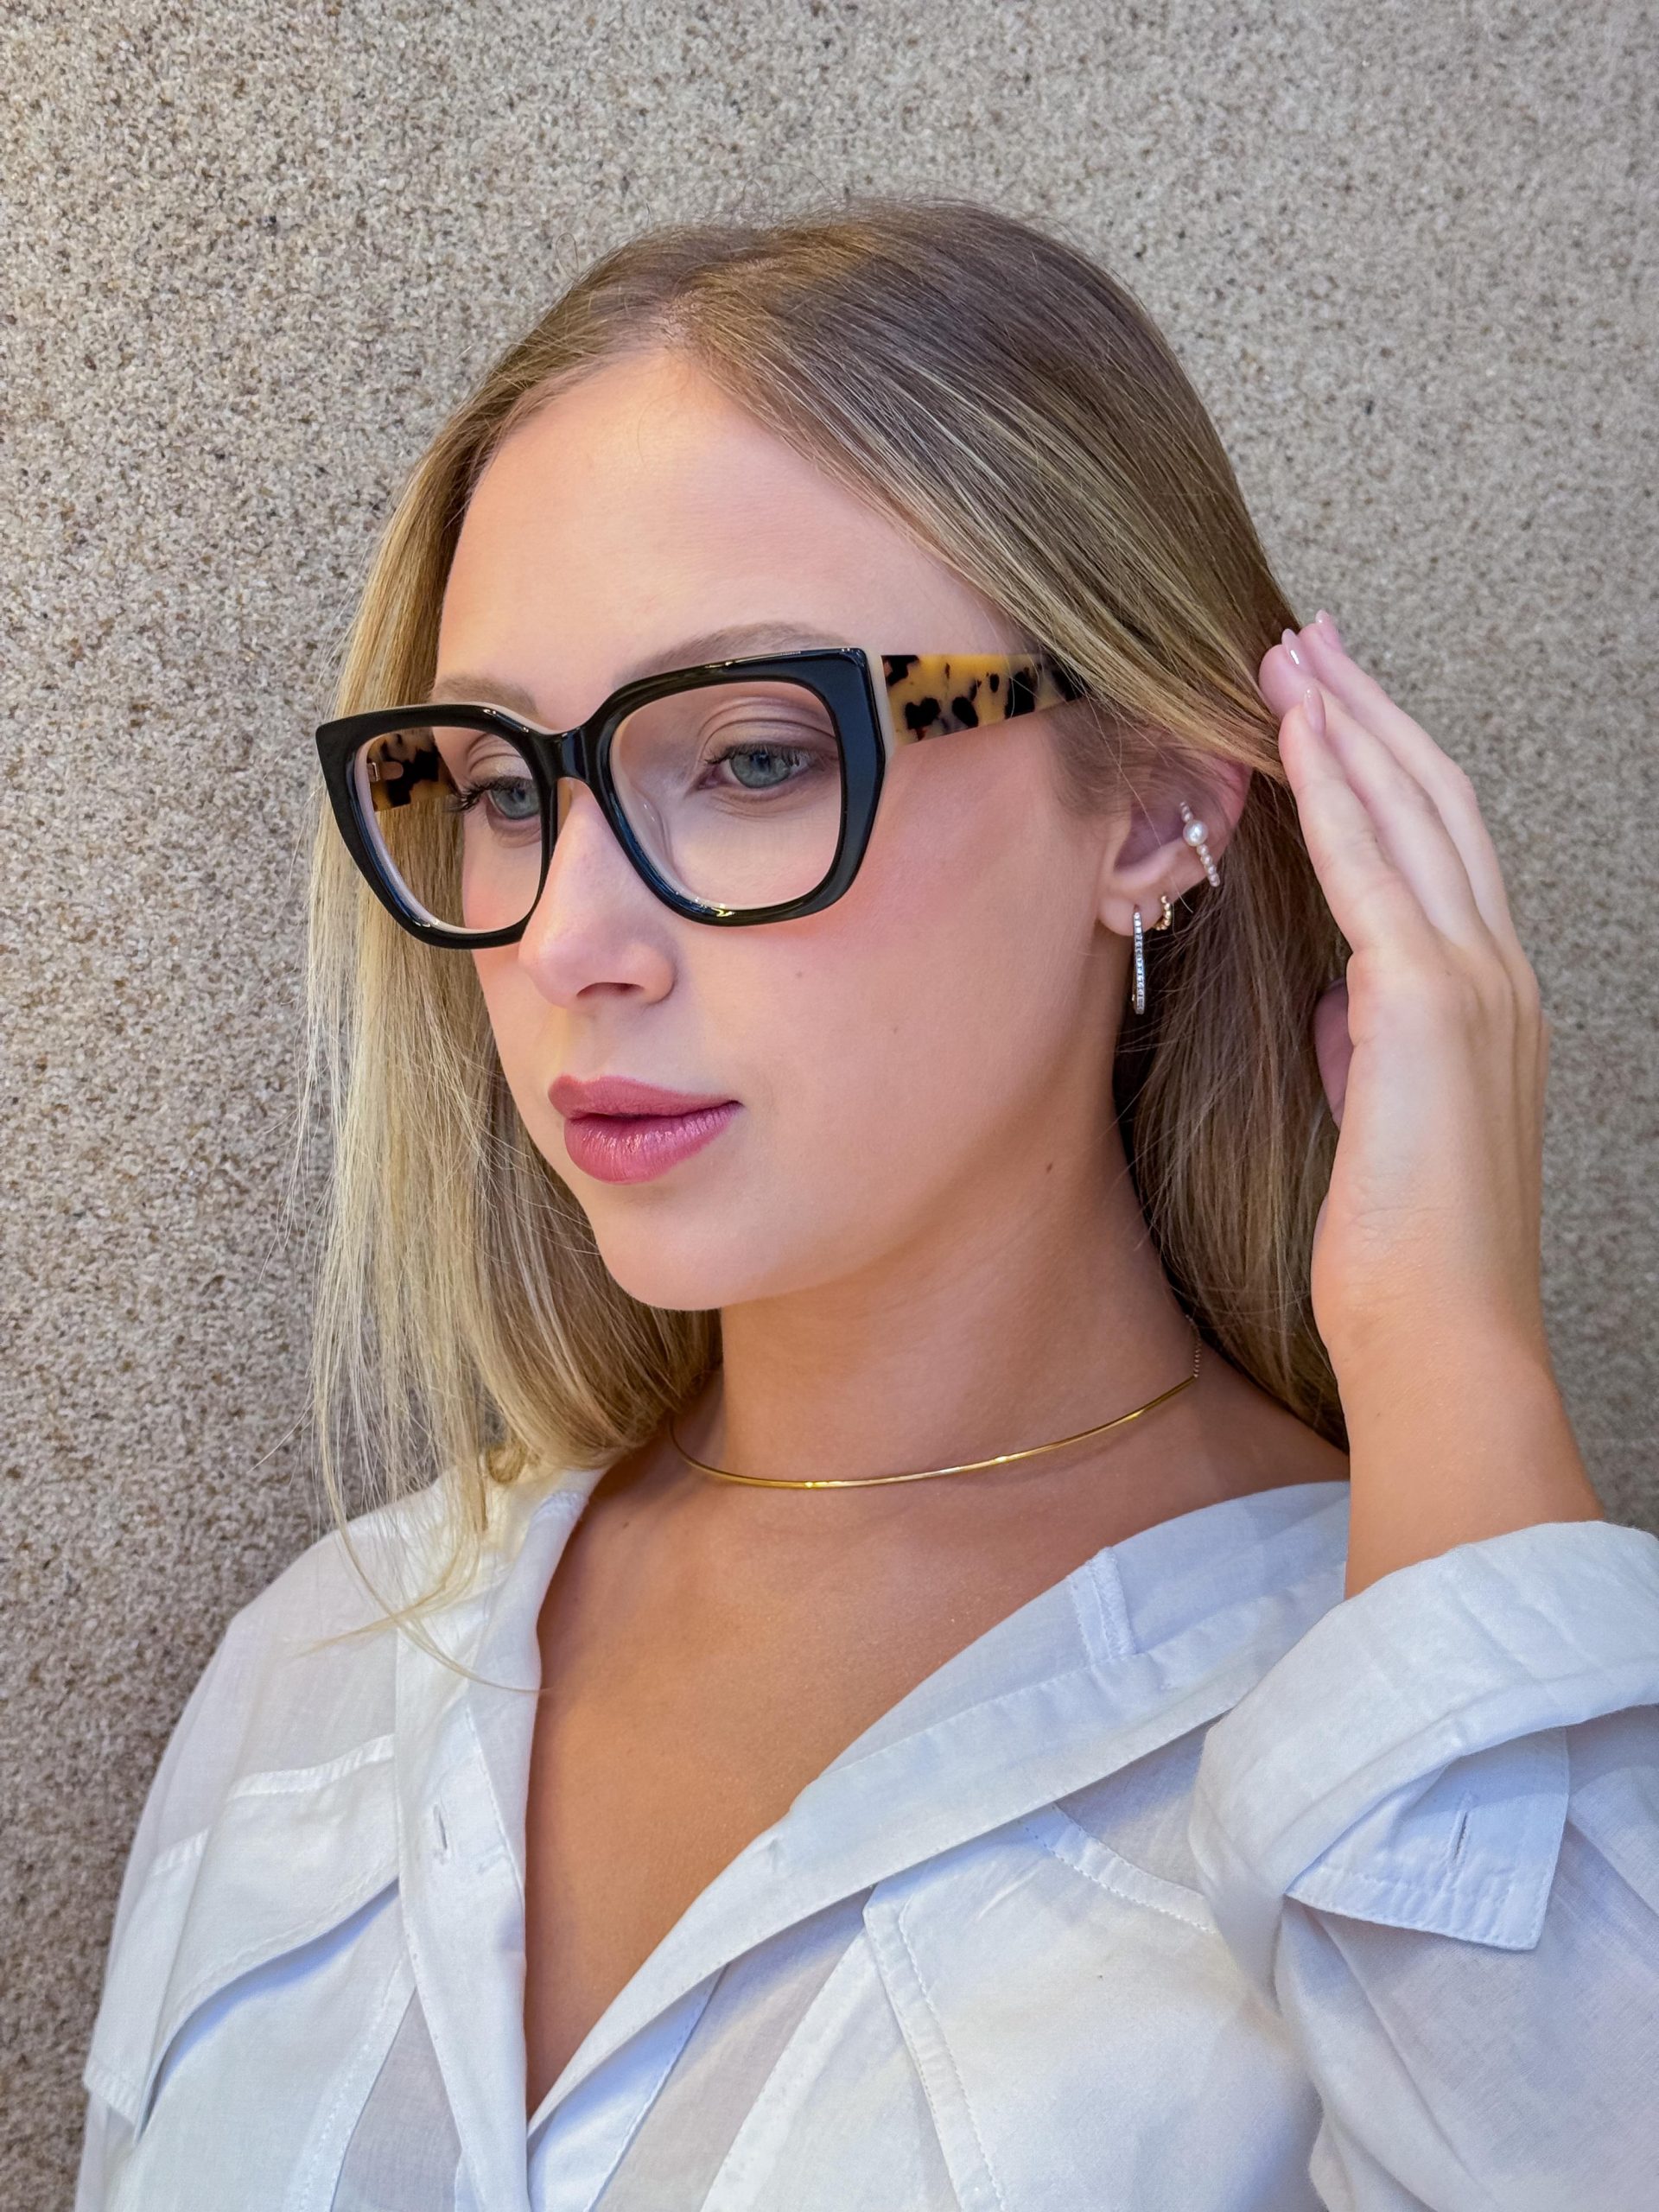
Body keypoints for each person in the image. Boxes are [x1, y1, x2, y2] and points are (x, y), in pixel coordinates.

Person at [76, 196, 1659, 2212]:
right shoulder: (324, 1669)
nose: (566, 940)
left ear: (1157, 803)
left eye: (752, 757)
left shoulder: (1437, 1749)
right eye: (501, 788)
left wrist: (1450, 1346)